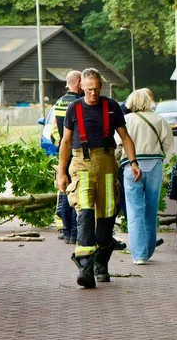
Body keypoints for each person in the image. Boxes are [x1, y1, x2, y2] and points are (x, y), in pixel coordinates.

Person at [56, 68, 141, 288]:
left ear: (101, 87)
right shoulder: (74, 108)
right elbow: (65, 142)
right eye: (89, 89)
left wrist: (133, 162)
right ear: (81, 87)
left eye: (96, 89)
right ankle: (85, 267)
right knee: (84, 214)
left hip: (107, 166)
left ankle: (101, 262)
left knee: (106, 219)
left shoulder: (111, 107)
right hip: (81, 166)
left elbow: (125, 137)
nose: (93, 93)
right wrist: (61, 172)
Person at [121, 89, 174, 264]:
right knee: (151, 209)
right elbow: (168, 144)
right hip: (154, 166)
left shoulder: (127, 120)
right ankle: (149, 249)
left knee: (134, 211)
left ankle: (139, 255)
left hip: (131, 166)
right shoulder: (159, 120)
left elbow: (118, 142)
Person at [51, 70, 83, 245]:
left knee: (64, 191)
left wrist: (59, 145)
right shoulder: (78, 103)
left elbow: (54, 131)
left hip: (63, 151)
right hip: (76, 151)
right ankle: (75, 232)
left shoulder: (59, 102)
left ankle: (66, 231)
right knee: (76, 191)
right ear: (78, 81)